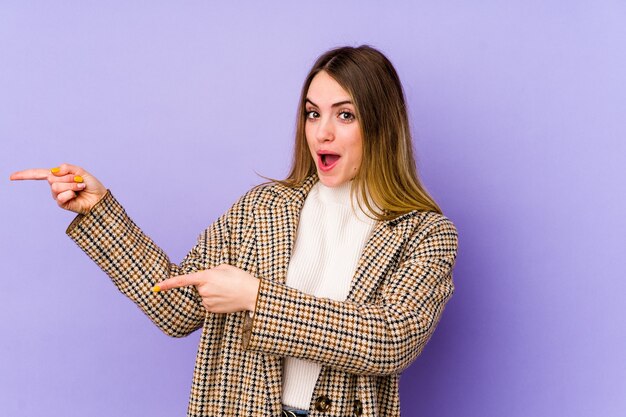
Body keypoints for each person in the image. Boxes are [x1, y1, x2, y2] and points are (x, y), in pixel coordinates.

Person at [10, 45, 458, 417]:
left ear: (381, 124)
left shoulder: (425, 233)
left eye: (345, 115)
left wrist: (256, 299)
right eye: (311, 113)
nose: (321, 132)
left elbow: (391, 339)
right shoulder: (260, 209)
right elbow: (178, 309)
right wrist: (100, 211)